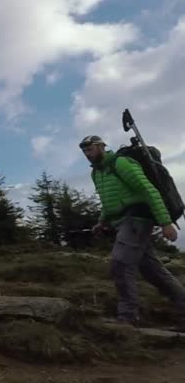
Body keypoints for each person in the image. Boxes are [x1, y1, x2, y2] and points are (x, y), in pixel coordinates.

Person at [81, 135, 185, 328]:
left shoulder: (121, 163)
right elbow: (108, 201)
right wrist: (101, 221)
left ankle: (128, 317)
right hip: (123, 222)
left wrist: (166, 223)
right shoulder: (97, 173)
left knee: (119, 264)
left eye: (91, 149)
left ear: (102, 147)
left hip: (137, 218)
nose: (88, 154)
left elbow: (148, 190)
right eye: (85, 151)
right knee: (154, 272)